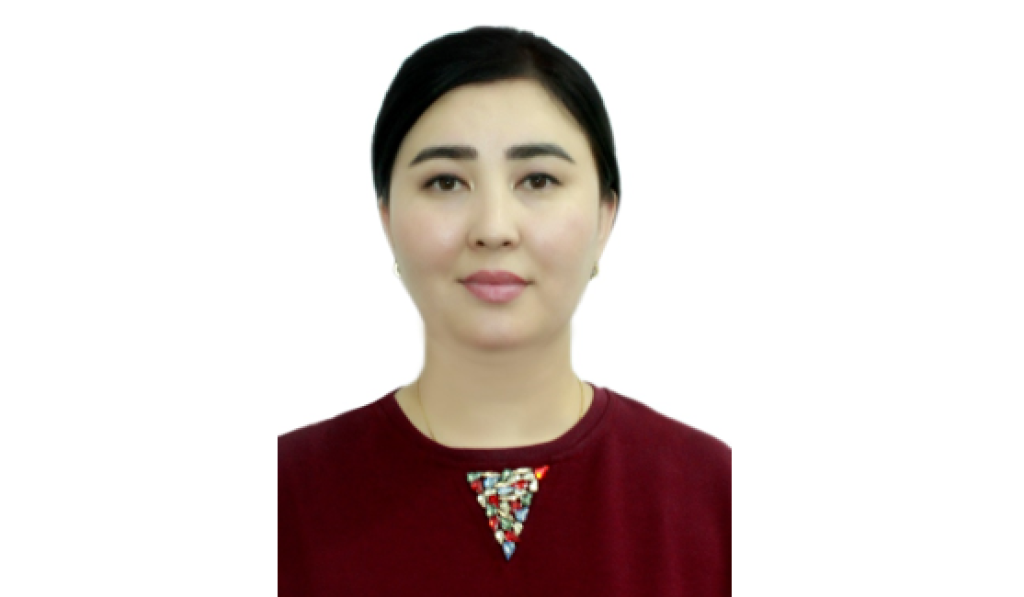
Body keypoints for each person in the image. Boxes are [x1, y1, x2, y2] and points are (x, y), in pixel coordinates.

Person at [278, 26, 731, 596]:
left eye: (538, 179)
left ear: (605, 218)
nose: (493, 228)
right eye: (446, 182)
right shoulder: (281, 497)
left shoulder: (716, 495)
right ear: (387, 218)